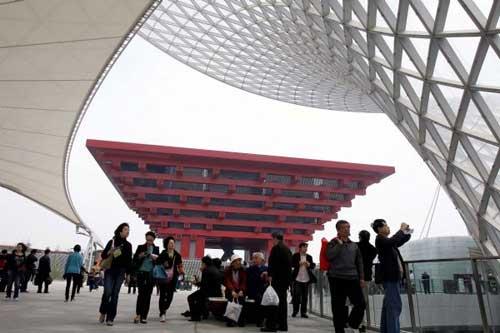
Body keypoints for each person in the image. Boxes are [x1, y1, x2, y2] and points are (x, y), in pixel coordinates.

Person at [372, 219, 411, 333]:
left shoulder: (387, 242)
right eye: (386, 226)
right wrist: (401, 230)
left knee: (388, 307)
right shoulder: (380, 239)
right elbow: (393, 241)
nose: (388, 228)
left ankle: (386, 330)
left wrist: (406, 233)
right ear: (379, 228)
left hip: (392, 277)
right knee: (394, 307)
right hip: (390, 278)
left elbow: (398, 241)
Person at [327, 220, 366, 333]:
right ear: (338, 230)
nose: (347, 229)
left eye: (348, 227)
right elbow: (330, 256)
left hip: (352, 278)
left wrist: (362, 278)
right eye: (344, 227)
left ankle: (351, 323)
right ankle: (339, 330)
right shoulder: (333, 243)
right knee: (338, 307)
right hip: (336, 278)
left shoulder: (354, 245)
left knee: (361, 304)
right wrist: (339, 245)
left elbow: (359, 262)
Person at [99, 223, 133, 326]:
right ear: (120, 231)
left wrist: (128, 274)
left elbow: (129, 261)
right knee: (108, 292)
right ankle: (103, 311)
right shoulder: (112, 242)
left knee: (115, 295)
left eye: (128, 230)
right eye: (126, 229)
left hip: (121, 272)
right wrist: (110, 251)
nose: (128, 231)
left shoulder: (128, 245)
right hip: (110, 270)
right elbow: (103, 255)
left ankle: (110, 318)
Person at [262, 232, 292, 333]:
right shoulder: (287, 249)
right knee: (282, 303)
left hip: (277, 280)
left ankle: (271, 326)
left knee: (273, 302)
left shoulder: (276, 249)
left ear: (275, 238)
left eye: (272, 239)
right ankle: (283, 325)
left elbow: (273, 264)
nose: (272, 241)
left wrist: (270, 275)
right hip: (285, 281)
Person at [133, 231, 160, 324]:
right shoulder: (140, 247)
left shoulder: (156, 249)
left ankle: (144, 316)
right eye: (147, 240)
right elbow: (135, 259)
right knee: (141, 294)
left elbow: (159, 262)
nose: (149, 242)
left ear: (153, 240)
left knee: (148, 295)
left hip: (151, 274)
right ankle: (138, 314)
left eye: (151, 240)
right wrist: (139, 256)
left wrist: (155, 258)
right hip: (141, 273)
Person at [187, 255, 223, 321]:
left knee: (190, 297)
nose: (201, 265)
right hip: (217, 292)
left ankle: (195, 317)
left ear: (204, 263)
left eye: (202, 263)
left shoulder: (206, 270)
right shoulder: (214, 269)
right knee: (199, 296)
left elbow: (204, 285)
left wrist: (196, 283)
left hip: (210, 293)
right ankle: (202, 314)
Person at [156, 236, 183, 323]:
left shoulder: (177, 255)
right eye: (170, 243)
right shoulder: (163, 254)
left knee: (170, 296)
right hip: (163, 277)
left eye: (173, 243)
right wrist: (164, 263)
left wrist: (182, 273)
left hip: (173, 278)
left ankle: (165, 308)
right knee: (163, 295)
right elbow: (157, 262)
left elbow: (180, 266)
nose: (172, 245)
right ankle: (162, 313)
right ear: (166, 245)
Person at [357, 230, 377, 332]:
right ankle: (362, 324)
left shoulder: (355, 246)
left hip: (354, 276)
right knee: (363, 300)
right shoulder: (373, 249)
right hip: (366, 277)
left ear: (359, 237)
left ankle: (354, 322)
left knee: (353, 300)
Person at [291, 242, 316, 319]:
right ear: (300, 248)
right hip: (297, 279)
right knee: (296, 296)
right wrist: (299, 263)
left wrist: (309, 264)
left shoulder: (309, 257)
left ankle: (303, 312)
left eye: (306, 247)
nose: (306, 249)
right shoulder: (295, 256)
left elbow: (313, 265)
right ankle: (295, 311)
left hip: (306, 279)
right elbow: (291, 264)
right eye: (304, 247)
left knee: (305, 297)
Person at [224, 254, 247, 327]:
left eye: (240, 262)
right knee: (230, 300)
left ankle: (241, 321)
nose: (239, 263)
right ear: (233, 263)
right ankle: (230, 321)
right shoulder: (227, 270)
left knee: (241, 301)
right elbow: (228, 282)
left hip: (240, 290)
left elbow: (244, 281)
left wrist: (241, 290)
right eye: (237, 262)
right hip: (230, 290)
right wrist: (232, 291)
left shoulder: (243, 270)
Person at [246, 252, 268, 327]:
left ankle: (269, 319)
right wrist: (260, 276)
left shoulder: (266, 269)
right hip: (253, 291)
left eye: (256, 258)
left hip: (264, 290)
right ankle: (260, 320)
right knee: (260, 298)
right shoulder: (249, 269)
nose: (254, 260)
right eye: (253, 258)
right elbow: (250, 281)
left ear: (262, 260)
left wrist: (266, 276)